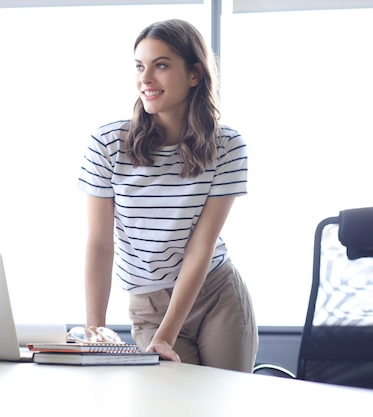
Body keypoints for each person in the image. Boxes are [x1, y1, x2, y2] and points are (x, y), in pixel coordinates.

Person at [77, 19, 258, 372]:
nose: (145, 79)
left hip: (215, 293)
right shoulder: (108, 145)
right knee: (174, 403)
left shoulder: (227, 146)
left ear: (194, 74)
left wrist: (169, 334)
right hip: (148, 302)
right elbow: (99, 246)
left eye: (161, 65)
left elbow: (200, 248)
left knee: (226, 401)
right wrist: (95, 330)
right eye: (140, 66)